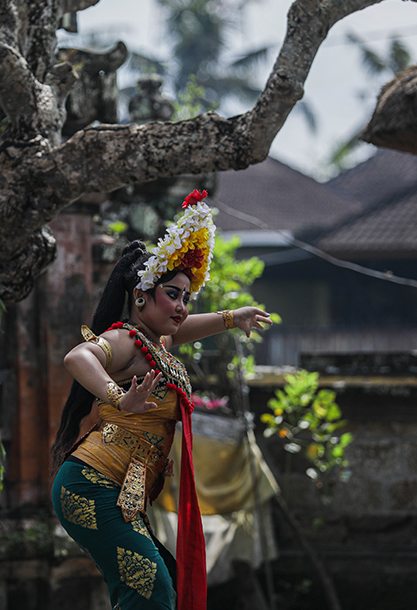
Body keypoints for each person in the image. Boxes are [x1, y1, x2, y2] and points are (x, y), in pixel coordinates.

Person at [49, 190, 271, 610]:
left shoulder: (155, 343)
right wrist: (118, 397)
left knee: (160, 585)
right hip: (90, 484)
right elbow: (77, 356)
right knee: (151, 588)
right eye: (172, 294)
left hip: (122, 491)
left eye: (187, 297)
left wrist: (231, 318)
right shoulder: (124, 338)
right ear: (140, 296)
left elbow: (181, 328)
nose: (182, 306)